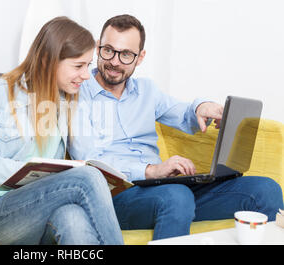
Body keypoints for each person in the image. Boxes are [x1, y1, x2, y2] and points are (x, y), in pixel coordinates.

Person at [68, 14, 283, 240]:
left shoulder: (147, 90)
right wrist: (151, 171)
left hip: (164, 191)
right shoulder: (78, 93)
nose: (114, 61)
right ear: (97, 47)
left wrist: (201, 106)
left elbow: (182, 111)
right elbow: (90, 161)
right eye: (108, 50)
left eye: (126, 54)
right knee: (176, 195)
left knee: (265, 190)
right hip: (115, 197)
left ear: (140, 57)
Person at [0, 16, 124, 245]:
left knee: (73, 218)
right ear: (48, 60)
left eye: (88, 65)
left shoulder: (65, 99)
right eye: (78, 66)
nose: (86, 75)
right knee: (87, 178)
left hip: (39, 209)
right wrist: (31, 171)